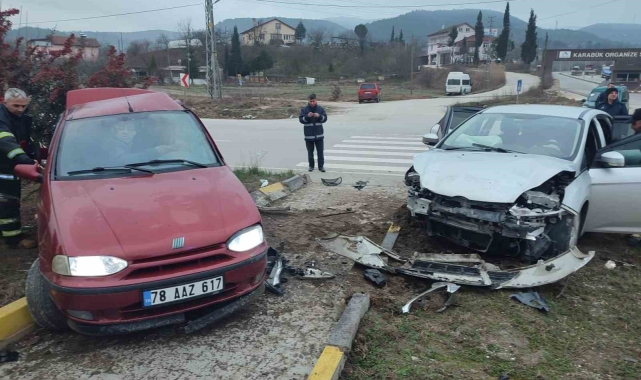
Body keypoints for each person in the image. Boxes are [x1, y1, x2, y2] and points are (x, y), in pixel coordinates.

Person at [0, 88, 41, 249]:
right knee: (8, 201)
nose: (20, 109)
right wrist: (27, 162)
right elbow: (7, 143)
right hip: (4, 166)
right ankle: (14, 239)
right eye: (16, 105)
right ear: (5, 102)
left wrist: (35, 153)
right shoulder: (1, 119)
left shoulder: (18, 117)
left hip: (8, 165)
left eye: (23, 106)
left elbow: (23, 139)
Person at [299, 94, 328, 172]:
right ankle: (311, 166)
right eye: (310, 101)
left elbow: (325, 119)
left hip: (319, 136)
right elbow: (301, 120)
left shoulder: (320, 109)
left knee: (320, 152)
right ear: (308, 101)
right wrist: (307, 116)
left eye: (313, 101)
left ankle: (321, 166)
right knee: (310, 153)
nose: (312, 103)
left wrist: (319, 116)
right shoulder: (304, 110)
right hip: (309, 136)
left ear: (316, 100)